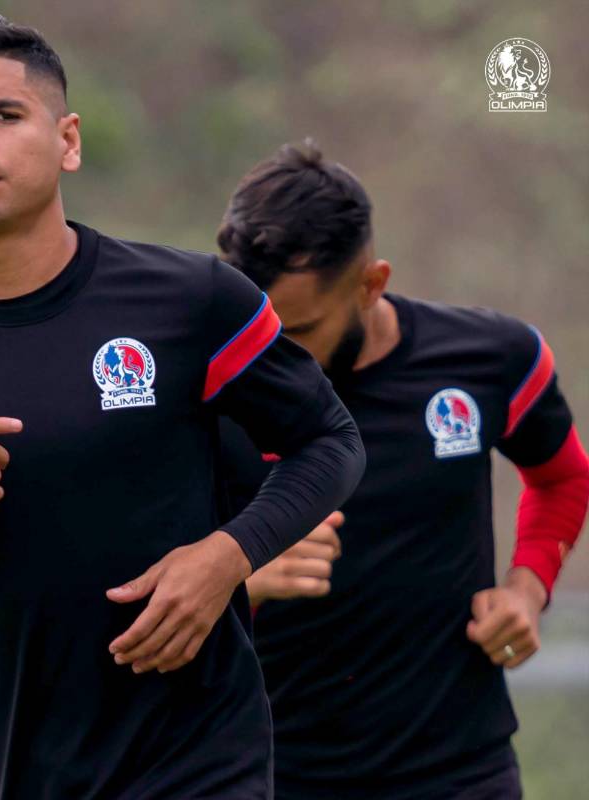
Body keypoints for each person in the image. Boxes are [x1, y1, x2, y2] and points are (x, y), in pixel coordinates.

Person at [0, 14, 365, 799]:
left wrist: (227, 558)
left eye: (2, 114)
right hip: (3, 770)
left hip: (194, 760)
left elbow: (330, 442)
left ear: (68, 140)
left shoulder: (191, 300)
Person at [216, 141, 589, 800]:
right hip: (268, 775)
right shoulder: (211, 384)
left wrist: (527, 589)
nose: (273, 353)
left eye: (299, 331)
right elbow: (133, 577)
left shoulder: (490, 359)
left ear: (371, 284)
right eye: (259, 324)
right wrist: (242, 575)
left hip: (459, 772)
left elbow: (561, 477)